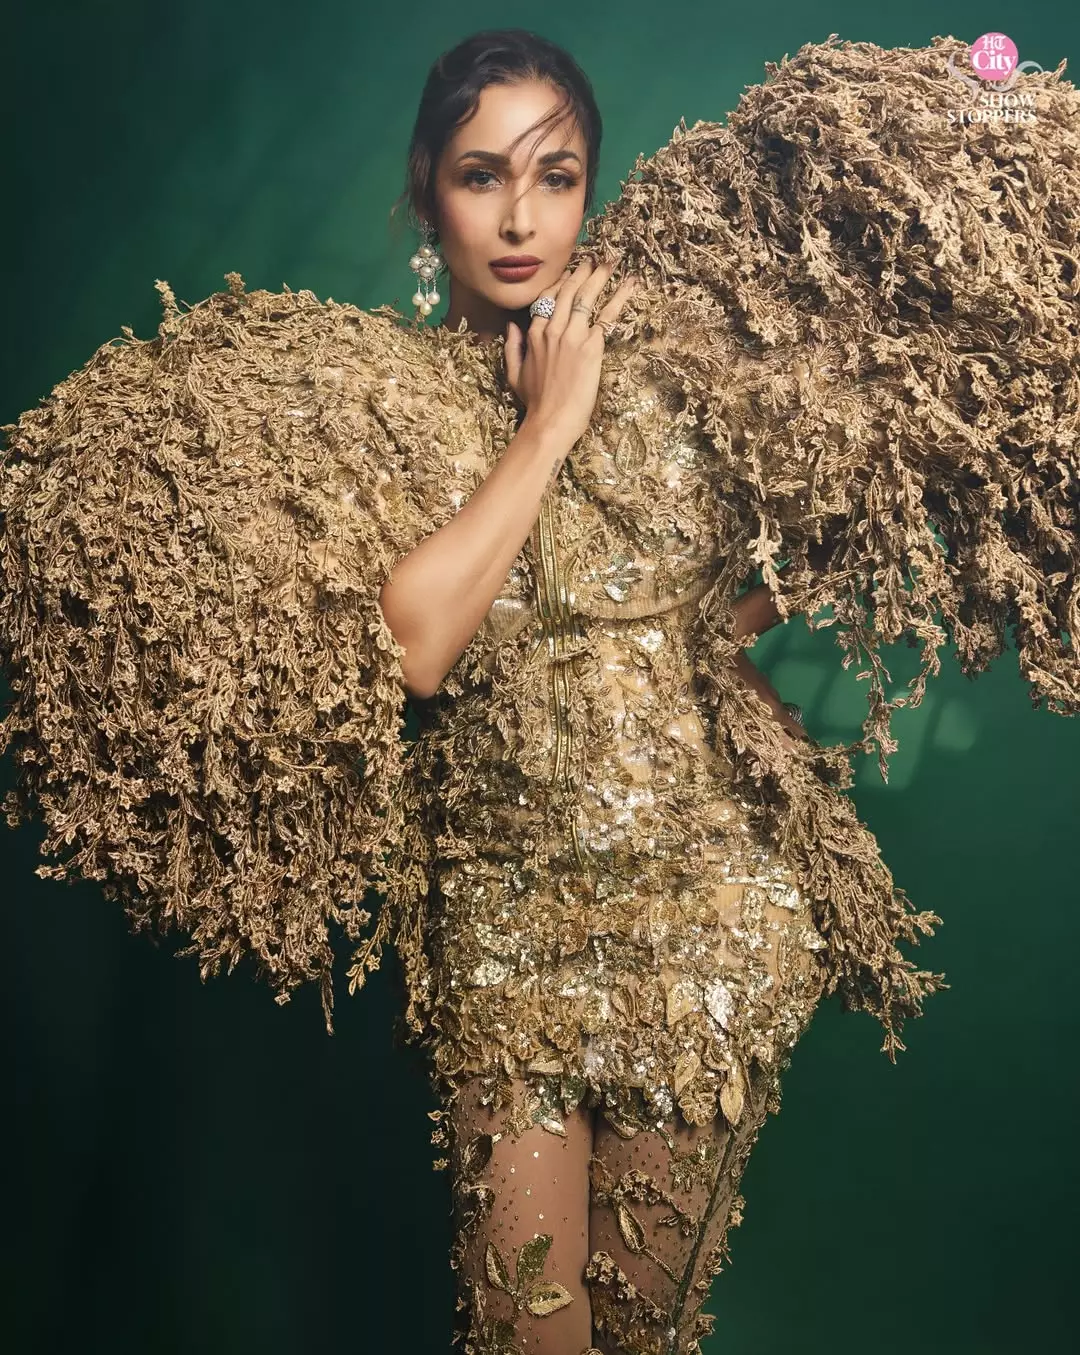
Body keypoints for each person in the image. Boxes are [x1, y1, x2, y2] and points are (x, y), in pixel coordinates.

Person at [375, 29, 832, 1355]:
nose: (522, 220)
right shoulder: (380, 399)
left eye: (556, 176)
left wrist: (722, 634)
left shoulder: (671, 376)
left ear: (592, 188)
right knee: (526, 1334)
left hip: (703, 926)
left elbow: (716, 606)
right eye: (481, 176)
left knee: (641, 1337)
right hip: (504, 936)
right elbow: (416, 646)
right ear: (426, 191)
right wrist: (547, 425)